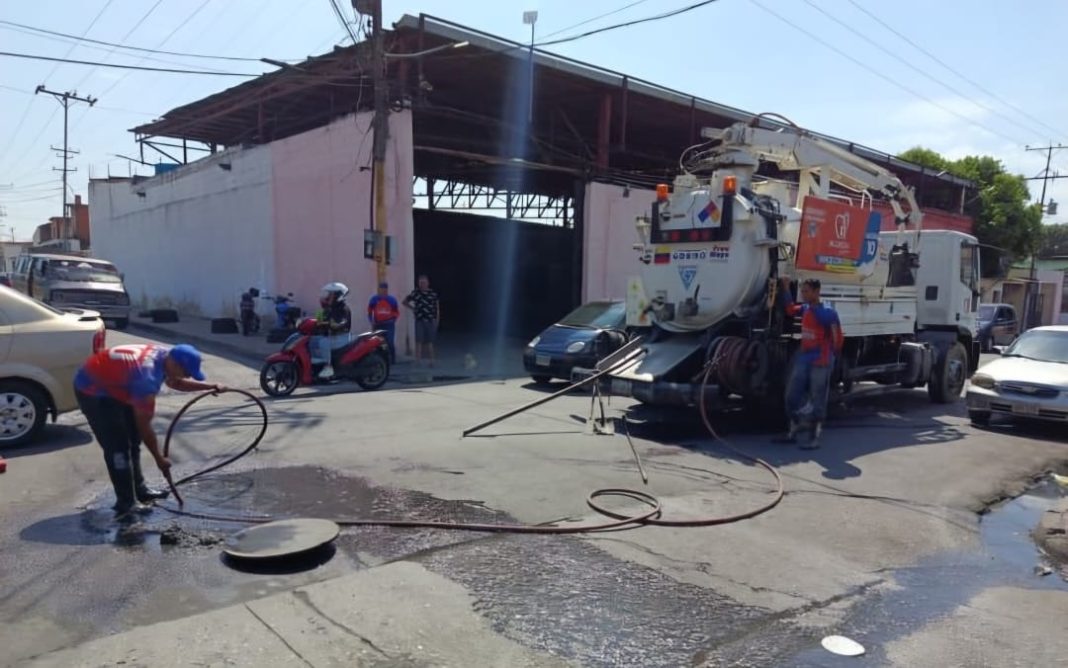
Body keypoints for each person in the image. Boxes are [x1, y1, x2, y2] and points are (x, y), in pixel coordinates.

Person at [74, 343, 224, 518]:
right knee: (118, 448)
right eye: (187, 372)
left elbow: (175, 381)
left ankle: (140, 490)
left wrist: (210, 386)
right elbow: (145, 426)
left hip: (119, 384)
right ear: (175, 365)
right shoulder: (146, 379)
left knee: (133, 439)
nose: (189, 375)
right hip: (93, 391)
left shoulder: (164, 356)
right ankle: (126, 503)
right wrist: (159, 459)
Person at [777, 277, 844, 449]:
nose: (803, 294)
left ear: (816, 291)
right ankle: (793, 430)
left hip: (820, 360)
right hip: (805, 357)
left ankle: (814, 439)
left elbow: (837, 338)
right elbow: (791, 309)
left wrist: (831, 356)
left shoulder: (827, 313)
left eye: (806, 291)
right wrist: (785, 289)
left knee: (817, 398)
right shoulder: (806, 308)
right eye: (802, 291)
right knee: (791, 395)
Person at [313, 282, 353, 380]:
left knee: (323, 342)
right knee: (312, 341)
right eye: (329, 294)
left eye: (331, 295)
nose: (328, 297)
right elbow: (321, 320)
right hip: (333, 337)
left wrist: (335, 324)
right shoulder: (330, 309)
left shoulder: (343, 309)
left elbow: (341, 322)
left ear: (338, 296)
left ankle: (328, 367)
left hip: (341, 337)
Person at [402, 274, 440, 366]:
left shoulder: (433, 294)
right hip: (419, 320)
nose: (422, 284)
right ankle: (417, 361)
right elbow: (404, 302)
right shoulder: (415, 293)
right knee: (419, 341)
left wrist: (437, 319)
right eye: (421, 283)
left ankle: (432, 361)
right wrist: (413, 308)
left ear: (428, 283)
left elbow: (437, 307)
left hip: (430, 320)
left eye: (424, 282)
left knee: (430, 341)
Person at [367, 282, 399, 364]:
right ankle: (380, 360)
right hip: (378, 324)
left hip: (389, 324)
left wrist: (393, 320)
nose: (383, 290)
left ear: (387, 289)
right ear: (379, 289)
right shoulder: (374, 299)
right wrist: (372, 321)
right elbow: (370, 312)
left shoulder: (392, 300)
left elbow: (396, 312)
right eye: (381, 288)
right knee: (377, 343)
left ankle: (392, 359)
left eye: (385, 288)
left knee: (390, 342)